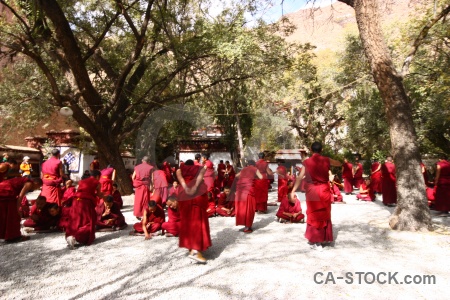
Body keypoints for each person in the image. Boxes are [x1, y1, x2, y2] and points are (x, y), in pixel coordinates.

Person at [290, 142, 342, 251]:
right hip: (324, 190)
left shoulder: (306, 162)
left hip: (312, 190)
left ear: (310, 149)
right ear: (321, 150)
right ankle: (322, 238)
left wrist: (293, 190)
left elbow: (299, 178)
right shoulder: (326, 160)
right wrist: (329, 160)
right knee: (324, 213)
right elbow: (339, 163)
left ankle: (316, 240)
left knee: (314, 214)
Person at [176, 159, 211, 264]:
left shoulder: (180, 169)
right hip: (197, 195)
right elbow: (200, 177)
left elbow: (180, 179)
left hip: (184, 194)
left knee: (187, 221)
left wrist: (186, 188)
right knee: (198, 220)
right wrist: (195, 187)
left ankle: (191, 246)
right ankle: (195, 250)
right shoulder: (200, 168)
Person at [65, 170, 104, 249]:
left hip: (76, 201)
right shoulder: (97, 183)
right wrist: (104, 196)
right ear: (97, 177)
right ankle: (77, 237)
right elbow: (99, 194)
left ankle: (71, 235)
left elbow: (80, 190)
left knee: (75, 220)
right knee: (88, 220)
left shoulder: (82, 181)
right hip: (86, 203)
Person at [0, 177, 43, 242]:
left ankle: (8, 235)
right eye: (38, 186)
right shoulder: (29, 184)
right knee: (13, 215)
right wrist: (18, 209)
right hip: (6, 190)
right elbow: (20, 197)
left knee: (6, 213)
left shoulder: (27, 182)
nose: (36, 189)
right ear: (36, 183)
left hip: (4, 189)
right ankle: (13, 236)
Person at [235, 160, 263, 233]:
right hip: (249, 190)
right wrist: (254, 177)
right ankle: (248, 226)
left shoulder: (244, 169)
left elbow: (236, 176)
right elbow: (261, 177)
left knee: (243, 208)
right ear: (254, 165)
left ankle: (244, 224)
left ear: (248, 164)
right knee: (249, 208)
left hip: (241, 190)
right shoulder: (254, 169)